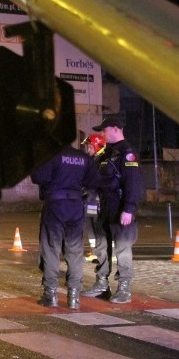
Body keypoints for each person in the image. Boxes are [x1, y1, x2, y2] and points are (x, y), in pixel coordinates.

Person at [82, 115, 144, 303]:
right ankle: (102, 284)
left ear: (115, 129)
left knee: (123, 249)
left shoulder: (127, 153)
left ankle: (124, 288)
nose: (102, 133)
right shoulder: (107, 153)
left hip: (120, 208)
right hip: (104, 208)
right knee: (101, 247)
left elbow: (133, 184)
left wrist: (129, 209)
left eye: (105, 130)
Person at [30, 142, 99, 309]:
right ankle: (74, 297)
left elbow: (38, 177)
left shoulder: (51, 155)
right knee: (74, 251)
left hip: (55, 205)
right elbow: (95, 181)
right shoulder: (82, 157)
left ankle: (50, 295)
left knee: (51, 249)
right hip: (76, 206)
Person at [81, 133, 107, 258]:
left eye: (89, 147)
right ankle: (95, 251)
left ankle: (105, 252)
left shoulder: (103, 160)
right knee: (90, 224)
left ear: (97, 146)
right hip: (90, 198)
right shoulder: (92, 160)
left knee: (98, 226)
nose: (87, 150)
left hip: (98, 199)